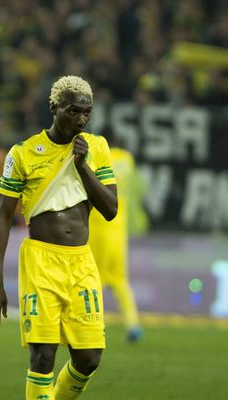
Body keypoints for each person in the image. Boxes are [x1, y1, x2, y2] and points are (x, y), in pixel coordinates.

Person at [0, 75, 118, 400]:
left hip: (81, 262)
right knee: (43, 356)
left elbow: (110, 208)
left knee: (89, 358)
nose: (81, 119)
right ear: (54, 107)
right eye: (73, 111)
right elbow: (2, 217)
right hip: (41, 260)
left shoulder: (96, 148)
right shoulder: (23, 154)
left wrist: (82, 165)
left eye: (87, 112)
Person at [88, 128, 145, 343]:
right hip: (118, 229)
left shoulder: (99, 157)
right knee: (120, 279)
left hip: (97, 226)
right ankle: (133, 323)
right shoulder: (127, 160)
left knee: (95, 278)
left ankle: (93, 324)